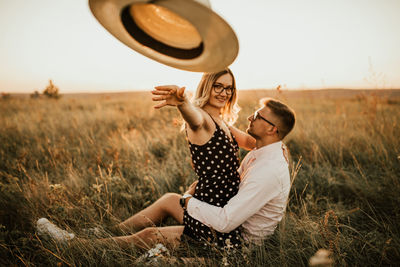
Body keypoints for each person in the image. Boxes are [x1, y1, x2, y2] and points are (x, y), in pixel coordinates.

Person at [37, 96, 296, 252]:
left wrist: (189, 201)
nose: (250, 117)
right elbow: (234, 137)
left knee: (151, 235)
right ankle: (103, 233)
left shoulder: (269, 170)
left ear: (272, 129)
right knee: (168, 199)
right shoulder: (265, 149)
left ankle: (74, 245)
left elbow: (226, 221)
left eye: (258, 116)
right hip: (231, 222)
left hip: (236, 242)